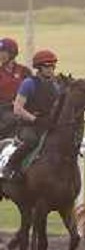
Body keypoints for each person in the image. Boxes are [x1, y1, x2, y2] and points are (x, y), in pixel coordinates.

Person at [2, 49, 61, 179]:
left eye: (52, 66)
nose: (51, 69)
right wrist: (35, 120)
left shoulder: (56, 86)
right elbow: (17, 108)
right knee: (31, 141)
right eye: (47, 66)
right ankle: (10, 167)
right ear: (39, 67)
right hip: (28, 126)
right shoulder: (29, 83)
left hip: (47, 125)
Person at [0, 38, 31, 138]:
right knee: (13, 119)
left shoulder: (24, 71)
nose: (0, 55)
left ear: (12, 53)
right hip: (4, 109)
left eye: (3, 52)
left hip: (23, 107)